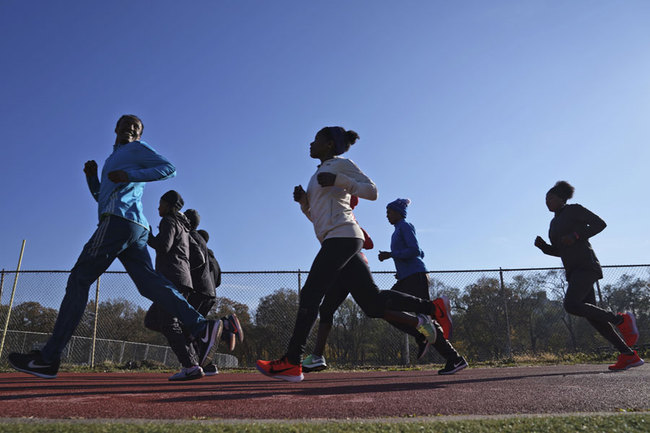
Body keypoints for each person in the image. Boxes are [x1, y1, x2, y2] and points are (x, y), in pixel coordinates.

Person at [7, 115, 222, 379]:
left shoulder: (136, 150)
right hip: (133, 227)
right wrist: (92, 178)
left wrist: (129, 174)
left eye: (137, 127)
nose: (131, 128)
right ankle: (201, 326)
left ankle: (48, 358)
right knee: (149, 284)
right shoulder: (113, 159)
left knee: (79, 278)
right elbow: (103, 197)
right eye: (126, 124)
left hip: (119, 222)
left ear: (139, 135)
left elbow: (169, 168)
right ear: (116, 129)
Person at [256, 126, 444, 382]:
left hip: (344, 236)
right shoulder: (316, 176)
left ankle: (292, 361)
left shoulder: (341, 165)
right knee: (372, 303)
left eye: (316, 140)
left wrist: (339, 181)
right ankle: (433, 307)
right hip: (335, 238)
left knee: (311, 294)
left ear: (330, 145)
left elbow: (372, 191)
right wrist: (303, 203)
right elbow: (317, 218)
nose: (310, 144)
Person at [534, 181, 642, 371]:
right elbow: (562, 250)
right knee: (594, 318)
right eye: (545, 199)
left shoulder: (574, 210)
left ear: (561, 198)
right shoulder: (553, 222)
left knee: (571, 304)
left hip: (586, 266)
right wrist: (545, 248)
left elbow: (600, 224)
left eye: (550, 197)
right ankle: (628, 355)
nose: (547, 201)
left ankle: (621, 320)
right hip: (573, 271)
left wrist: (575, 235)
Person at [377, 198, 467, 375]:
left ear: (399, 213)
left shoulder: (405, 226)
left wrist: (391, 255)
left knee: (387, 305)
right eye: (386, 212)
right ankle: (447, 354)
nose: (387, 215)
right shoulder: (397, 230)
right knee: (385, 308)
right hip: (409, 277)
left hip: (415, 277)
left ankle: (432, 324)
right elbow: (421, 253)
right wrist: (401, 270)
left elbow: (415, 250)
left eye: (390, 211)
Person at [144, 191, 205, 381]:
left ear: (169, 205)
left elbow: (164, 246)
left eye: (160, 203)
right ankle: (191, 354)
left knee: (168, 323)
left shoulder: (169, 221)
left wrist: (147, 235)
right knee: (153, 320)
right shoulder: (183, 226)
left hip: (171, 278)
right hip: (183, 279)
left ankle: (190, 365)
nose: (158, 207)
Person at [185, 211, 243, 376]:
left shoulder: (192, 241)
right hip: (210, 293)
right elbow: (218, 279)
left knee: (189, 327)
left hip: (197, 290)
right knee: (198, 331)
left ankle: (224, 325)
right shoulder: (212, 256)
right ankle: (207, 363)